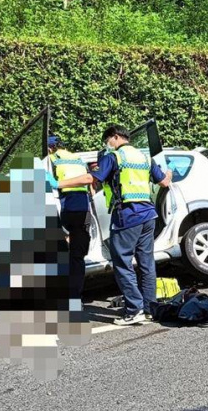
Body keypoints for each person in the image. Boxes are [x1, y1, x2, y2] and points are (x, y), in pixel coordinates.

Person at [58, 125, 172, 325]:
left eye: (107, 141)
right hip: (148, 216)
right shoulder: (145, 158)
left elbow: (90, 179)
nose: (107, 145)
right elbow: (164, 182)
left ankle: (134, 309)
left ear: (116, 137)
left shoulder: (114, 157)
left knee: (122, 263)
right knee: (146, 263)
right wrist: (169, 172)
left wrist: (56, 184)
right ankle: (149, 308)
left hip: (127, 216)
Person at [48, 135, 91, 302]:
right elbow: (89, 183)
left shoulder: (50, 159)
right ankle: (75, 298)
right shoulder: (77, 158)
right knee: (77, 256)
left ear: (50, 148)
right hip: (82, 208)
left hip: (65, 207)